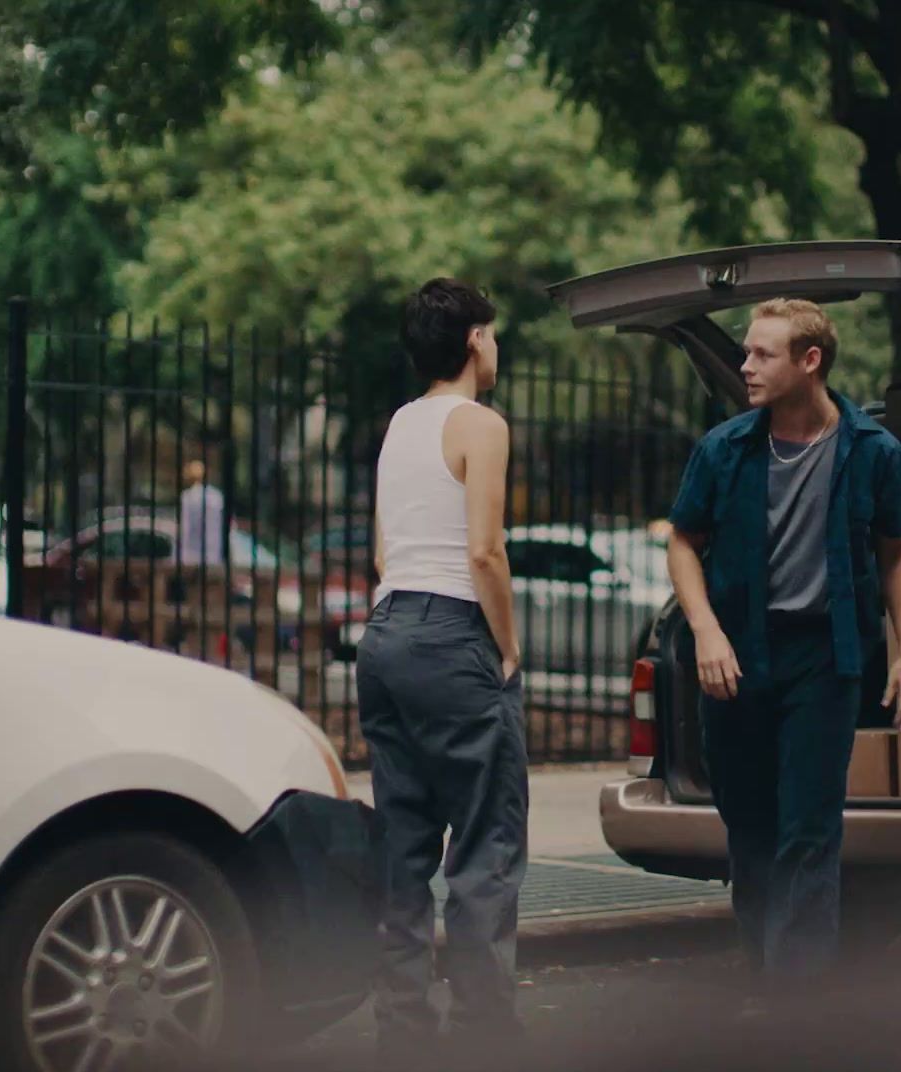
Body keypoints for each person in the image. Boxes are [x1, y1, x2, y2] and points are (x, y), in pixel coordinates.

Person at [666, 298, 901, 990]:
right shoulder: (723, 450)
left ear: (810, 362)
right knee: (749, 828)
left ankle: (798, 1002)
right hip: (737, 655)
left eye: (762, 354)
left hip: (824, 657)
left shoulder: (873, 453)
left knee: (808, 830)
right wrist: (706, 630)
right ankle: (768, 974)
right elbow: (683, 541)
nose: (745, 366)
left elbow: (895, 552)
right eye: (747, 352)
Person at [355, 279, 527, 1063]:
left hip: (385, 637)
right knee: (487, 848)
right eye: (490, 333)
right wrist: (508, 646)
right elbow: (485, 552)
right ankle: (485, 1038)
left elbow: (385, 552)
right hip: (453, 635)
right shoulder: (480, 425)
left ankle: (403, 1034)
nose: (495, 345)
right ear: (473, 343)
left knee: (405, 842)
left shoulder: (398, 424)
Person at [177, 459, 228, 565]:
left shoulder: (187, 497)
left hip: (190, 554)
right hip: (213, 553)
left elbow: (185, 527)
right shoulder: (216, 496)